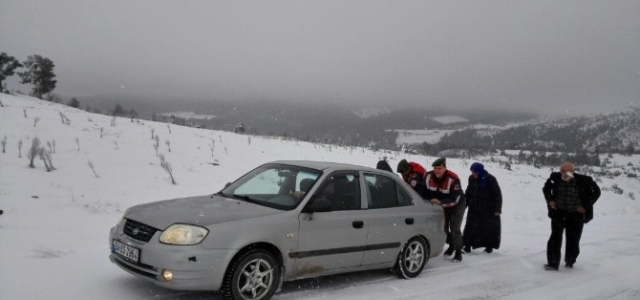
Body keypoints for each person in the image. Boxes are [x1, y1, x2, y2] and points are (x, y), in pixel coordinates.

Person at [542, 161, 601, 270]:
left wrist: (585, 206)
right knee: (555, 237)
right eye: (562, 170)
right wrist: (550, 200)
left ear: (573, 171)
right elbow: (546, 189)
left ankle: (570, 260)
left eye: (567, 171)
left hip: (576, 214)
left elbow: (596, 192)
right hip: (559, 212)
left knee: (573, 239)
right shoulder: (555, 177)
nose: (564, 173)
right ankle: (553, 263)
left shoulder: (585, 180)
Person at [425, 157, 466, 262]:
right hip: (441, 206)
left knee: (455, 229)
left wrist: (441, 202)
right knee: (443, 229)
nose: (437, 170)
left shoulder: (453, 178)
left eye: (440, 168)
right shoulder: (428, 176)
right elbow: (424, 191)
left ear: (445, 168)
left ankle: (458, 252)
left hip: (457, 206)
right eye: (435, 168)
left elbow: (456, 198)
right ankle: (451, 245)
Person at [462, 162, 502, 254]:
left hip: (487, 208)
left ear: (479, 171)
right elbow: (469, 192)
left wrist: (497, 209)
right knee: (469, 227)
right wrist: (464, 204)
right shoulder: (471, 178)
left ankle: (489, 247)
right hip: (474, 207)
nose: (473, 174)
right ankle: (467, 246)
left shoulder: (490, 179)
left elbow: (497, 194)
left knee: (487, 228)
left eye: (475, 172)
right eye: (472, 172)